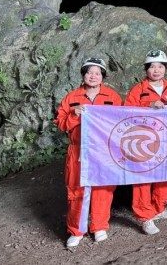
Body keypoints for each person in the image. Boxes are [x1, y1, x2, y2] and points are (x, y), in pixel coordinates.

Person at [55, 58, 123, 248]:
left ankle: (99, 226)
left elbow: (121, 122)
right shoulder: (72, 97)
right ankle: (76, 229)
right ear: (83, 74)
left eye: (97, 73)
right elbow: (60, 124)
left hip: (104, 151)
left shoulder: (112, 96)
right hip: (79, 151)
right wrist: (73, 115)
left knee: (103, 188)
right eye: (89, 72)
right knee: (77, 189)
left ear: (102, 76)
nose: (93, 76)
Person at [124, 50, 167, 235]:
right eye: (152, 67)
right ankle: (144, 216)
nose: (156, 70)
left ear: (165, 68)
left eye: (160, 66)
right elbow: (125, 113)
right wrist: (149, 106)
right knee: (143, 177)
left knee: (166, 174)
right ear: (146, 69)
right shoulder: (138, 90)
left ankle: (158, 208)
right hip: (144, 140)